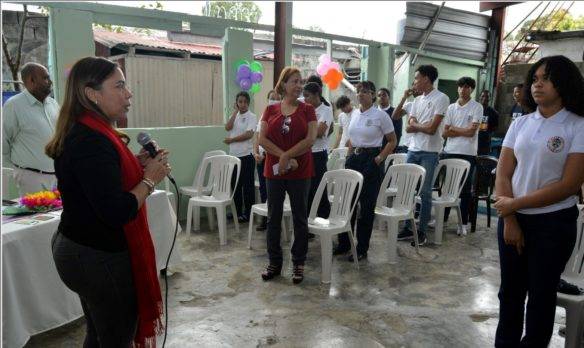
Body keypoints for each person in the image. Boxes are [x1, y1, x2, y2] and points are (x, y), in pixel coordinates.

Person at [46, 57, 171, 347]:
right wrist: (150, 179)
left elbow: (103, 179)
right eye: (120, 86)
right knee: (116, 338)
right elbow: (115, 211)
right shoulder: (90, 138)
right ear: (92, 94)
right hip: (95, 256)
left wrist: (136, 166)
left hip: (81, 248)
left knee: (100, 333)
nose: (129, 94)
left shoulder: (90, 130)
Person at [494, 55, 584, 347]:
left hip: (553, 223)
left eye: (546, 78)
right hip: (513, 219)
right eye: (535, 79)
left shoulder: (577, 125)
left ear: (564, 82)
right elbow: (504, 173)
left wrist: (514, 206)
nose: (537, 85)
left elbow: (569, 185)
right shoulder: (521, 124)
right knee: (510, 294)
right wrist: (510, 218)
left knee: (540, 298)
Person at [258, 67, 317, 284]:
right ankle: (274, 262)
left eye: (301, 82)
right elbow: (262, 139)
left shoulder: (308, 109)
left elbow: (310, 139)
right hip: (274, 172)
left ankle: (299, 262)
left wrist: (288, 156)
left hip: (300, 171)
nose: (299, 86)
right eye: (294, 81)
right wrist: (283, 157)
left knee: (300, 218)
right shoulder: (270, 109)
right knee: (273, 216)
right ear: (283, 85)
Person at [334, 81, 397, 261]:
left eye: (365, 92)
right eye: (358, 91)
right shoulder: (354, 115)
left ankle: (361, 248)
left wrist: (379, 159)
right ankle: (345, 243)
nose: (360, 94)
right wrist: (348, 157)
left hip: (372, 160)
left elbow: (392, 140)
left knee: (366, 206)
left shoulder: (381, 115)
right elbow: (352, 140)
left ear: (373, 94)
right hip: (354, 159)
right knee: (348, 202)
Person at [399, 65, 450, 246]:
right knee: (407, 189)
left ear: (427, 79)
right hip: (413, 149)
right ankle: (407, 227)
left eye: (417, 78)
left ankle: (421, 232)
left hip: (430, 152)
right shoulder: (418, 100)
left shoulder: (442, 98)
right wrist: (420, 125)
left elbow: (431, 129)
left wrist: (417, 125)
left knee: (425, 192)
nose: (415, 82)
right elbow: (408, 125)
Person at [3, 62, 60, 195]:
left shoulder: (53, 104)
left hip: (57, 176)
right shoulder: (14, 105)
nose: (50, 82)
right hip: (31, 179)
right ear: (31, 80)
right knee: (34, 215)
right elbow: (4, 142)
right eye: (45, 78)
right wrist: (18, 170)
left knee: (59, 215)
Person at [440, 77, 483, 236]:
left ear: (471, 89)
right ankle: (443, 220)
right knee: (447, 187)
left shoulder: (477, 107)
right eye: (461, 87)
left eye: (467, 87)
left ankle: (462, 223)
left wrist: (454, 129)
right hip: (450, 151)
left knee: (465, 190)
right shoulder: (451, 107)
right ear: (457, 89)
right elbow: (444, 132)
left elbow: (472, 132)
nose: (463, 90)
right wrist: (461, 130)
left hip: (468, 153)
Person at [225, 91, 257, 222]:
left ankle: (248, 213)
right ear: (236, 103)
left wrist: (232, 140)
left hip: (246, 156)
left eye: (244, 102)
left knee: (247, 186)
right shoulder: (235, 115)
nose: (242, 104)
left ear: (248, 103)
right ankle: (237, 212)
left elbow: (249, 135)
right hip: (234, 157)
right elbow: (227, 127)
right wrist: (234, 112)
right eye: (240, 102)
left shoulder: (252, 117)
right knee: (235, 185)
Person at [303, 82, 333, 220]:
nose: (305, 99)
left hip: (318, 154)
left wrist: (305, 131)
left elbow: (320, 132)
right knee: (307, 190)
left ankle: (323, 218)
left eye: (308, 96)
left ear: (316, 95)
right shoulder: (305, 108)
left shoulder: (326, 110)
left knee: (319, 189)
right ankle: (309, 222)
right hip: (306, 153)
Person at [253, 90, 281, 231]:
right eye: (271, 98)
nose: (274, 100)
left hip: (274, 158)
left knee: (274, 192)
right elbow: (257, 137)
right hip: (261, 159)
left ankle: (274, 220)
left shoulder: (282, 116)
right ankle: (265, 220)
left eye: (277, 98)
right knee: (264, 190)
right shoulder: (264, 115)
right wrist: (255, 153)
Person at [392, 87, 421, 151]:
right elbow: (394, 116)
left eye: (417, 87)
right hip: (408, 145)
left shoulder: (429, 105)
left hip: (420, 146)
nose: (415, 90)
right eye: (414, 88)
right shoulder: (410, 105)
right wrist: (404, 98)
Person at [477, 90, 500, 155]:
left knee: (482, 161)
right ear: (480, 97)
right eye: (483, 96)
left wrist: (486, 131)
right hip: (472, 141)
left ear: (490, 98)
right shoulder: (474, 110)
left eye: (487, 96)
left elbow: (495, 127)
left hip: (485, 143)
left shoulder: (494, 113)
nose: (485, 98)